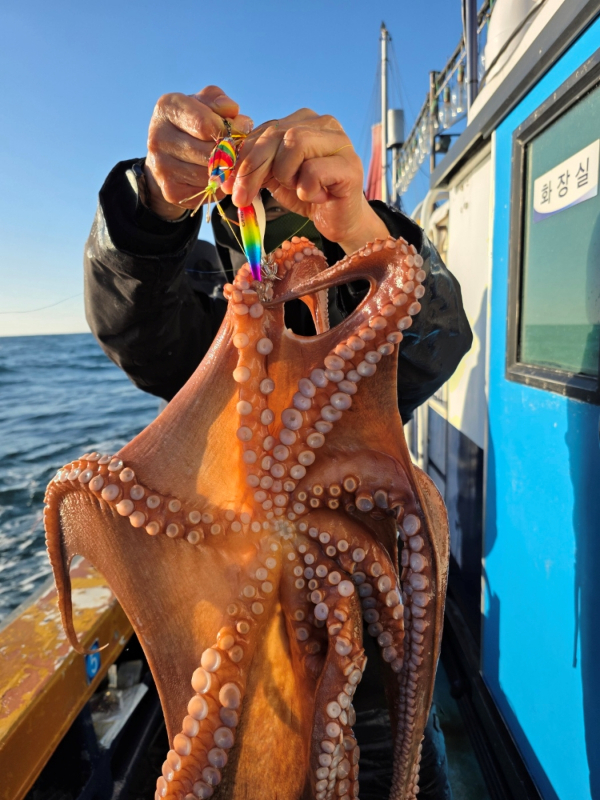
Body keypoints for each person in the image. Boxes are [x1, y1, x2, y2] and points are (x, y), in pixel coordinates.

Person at [84, 85, 469, 800]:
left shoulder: (366, 304)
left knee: (401, 771)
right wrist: (149, 210)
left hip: (372, 666)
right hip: (240, 658)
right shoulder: (209, 317)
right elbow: (136, 326)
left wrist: (360, 229)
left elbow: (433, 343)